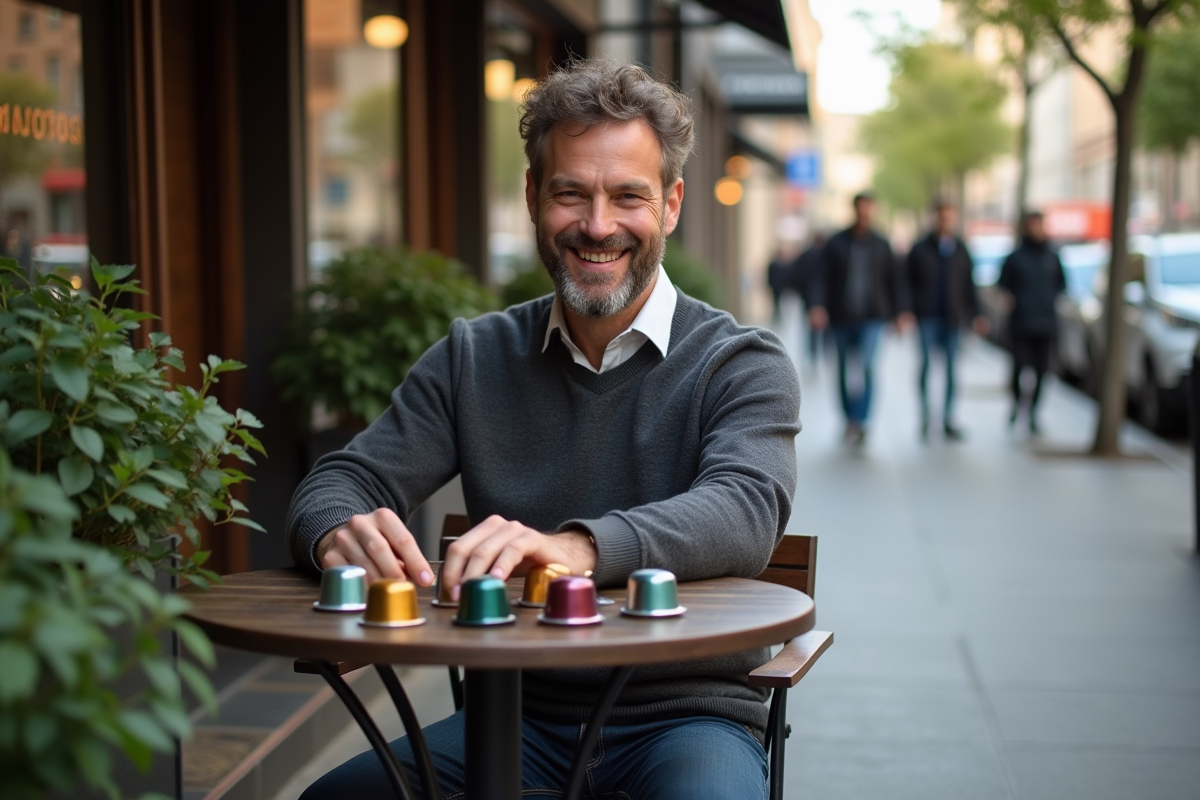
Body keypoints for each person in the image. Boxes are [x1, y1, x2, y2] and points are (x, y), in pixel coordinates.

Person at [288, 58, 800, 800]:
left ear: (672, 204)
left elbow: (745, 510)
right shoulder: (473, 357)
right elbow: (341, 480)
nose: (598, 226)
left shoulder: (740, 362)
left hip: (687, 718)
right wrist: (338, 530)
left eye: (628, 196)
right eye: (571, 194)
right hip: (512, 714)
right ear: (532, 197)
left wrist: (575, 548)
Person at [808, 192, 912, 445]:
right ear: (854, 210)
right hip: (841, 316)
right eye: (861, 209)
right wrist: (817, 306)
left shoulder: (881, 244)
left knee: (867, 367)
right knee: (843, 370)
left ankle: (861, 421)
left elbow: (895, 281)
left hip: (872, 318)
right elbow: (820, 277)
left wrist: (901, 312)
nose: (865, 214)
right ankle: (849, 419)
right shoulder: (836, 243)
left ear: (873, 211)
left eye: (869, 209)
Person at [905, 200, 989, 440]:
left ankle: (949, 418)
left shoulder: (961, 249)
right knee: (925, 367)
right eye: (941, 216)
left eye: (949, 217)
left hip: (952, 318)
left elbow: (969, 285)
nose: (945, 221)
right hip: (927, 317)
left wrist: (977, 314)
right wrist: (908, 310)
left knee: (952, 369)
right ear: (934, 218)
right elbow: (907, 282)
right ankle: (924, 417)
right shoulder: (920, 248)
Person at [998, 210, 1066, 435]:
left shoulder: (1052, 255)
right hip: (1021, 323)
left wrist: (1051, 301)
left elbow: (1062, 285)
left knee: (1042, 372)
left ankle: (1034, 413)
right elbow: (1003, 285)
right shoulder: (1016, 257)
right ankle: (1017, 404)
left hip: (1046, 323)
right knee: (1018, 369)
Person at [792, 232, 827, 367]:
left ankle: (812, 357)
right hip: (819, 300)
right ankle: (817, 356)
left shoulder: (805, 256)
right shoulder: (823, 256)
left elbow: (796, 276)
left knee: (811, 331)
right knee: (821, 331)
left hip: (807, 299)